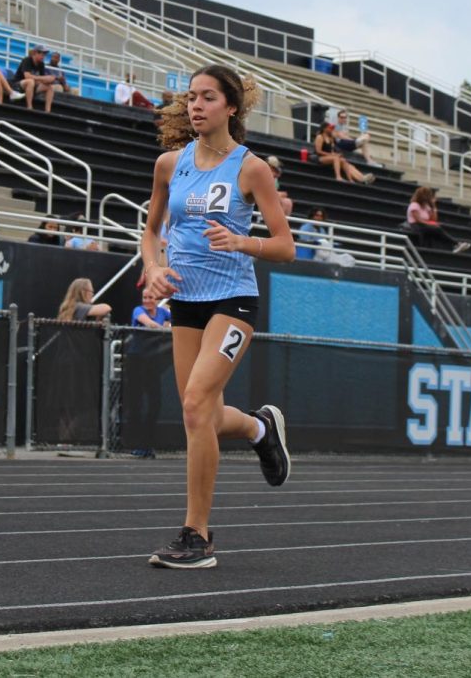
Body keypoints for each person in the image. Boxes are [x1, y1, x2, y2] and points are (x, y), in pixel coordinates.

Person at [142, 64, 294, 568]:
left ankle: (197, 536)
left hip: (233, 301)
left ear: (231, 107)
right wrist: (154, 267)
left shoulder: (251, 169)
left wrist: (241, 241)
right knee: (199, 412)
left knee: (194, 404)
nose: (196, 105)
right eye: (191, 97)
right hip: (185, 301)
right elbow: (150, 232)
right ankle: (257, 430)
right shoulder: (170, 164)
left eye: (208, 97)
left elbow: (285, 245)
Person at [406, 186, 470, 254]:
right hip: (416, 225)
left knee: (438, 229)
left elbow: (434, 219)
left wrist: (433, 206)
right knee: (437, 229)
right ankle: (456, 244)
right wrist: (431, 224)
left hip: (424, 225)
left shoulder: (426, 206)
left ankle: (454, 246)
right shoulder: (414, 205)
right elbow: (418, 220)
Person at [15, 45, 55, 113]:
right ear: (35, 53)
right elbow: (27, 76)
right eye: (41, 54)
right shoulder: (27, 60)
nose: (43, 57)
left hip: (33, 86)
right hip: (19, 84)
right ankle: (29, 107)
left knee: (49, 87)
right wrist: (43, 78)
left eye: (44, 55)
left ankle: (48, 111)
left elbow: (41, 80)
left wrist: (49, 79)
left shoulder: (41, 64)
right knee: (30, 81)